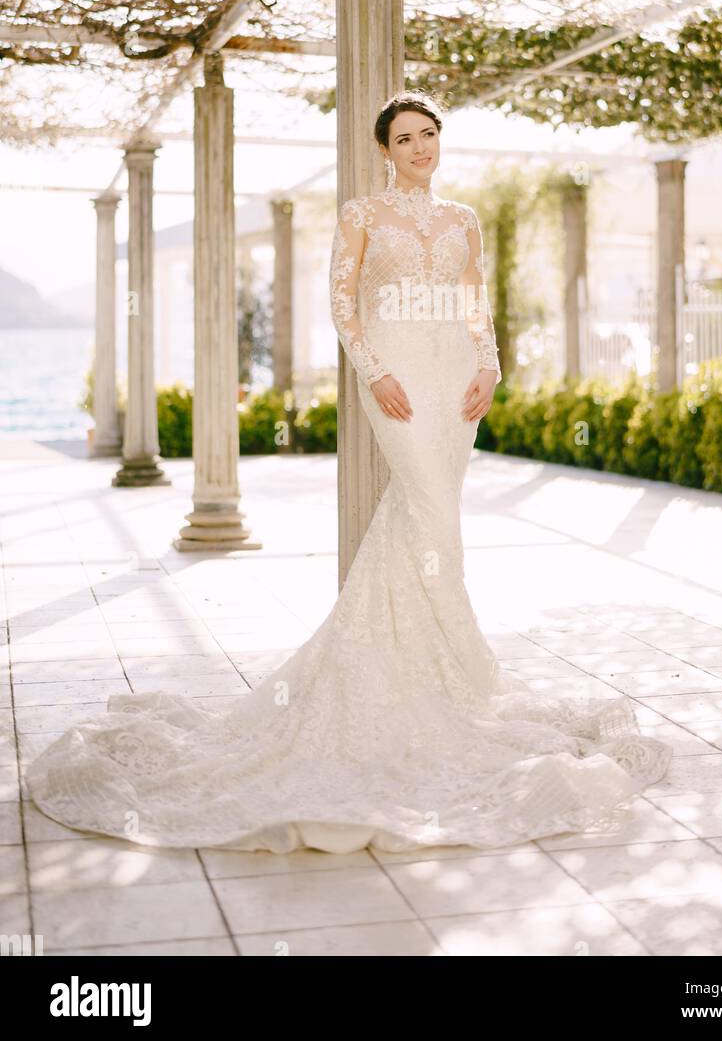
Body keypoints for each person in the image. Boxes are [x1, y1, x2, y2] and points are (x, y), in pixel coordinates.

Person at [25, 91, 671, 854]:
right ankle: (448, 673)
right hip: (395, 373)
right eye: (406, 138)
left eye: (430, 134)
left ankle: (437, 671)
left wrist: (490, 369)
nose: (422, 147)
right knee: (427, 506)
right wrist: (373, 371)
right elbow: (342, 303)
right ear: (385, 150)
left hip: (457, 378)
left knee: (431, 516)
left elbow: (474, 300)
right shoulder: (363, 214)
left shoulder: (462, 219)